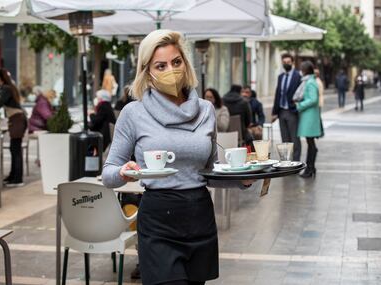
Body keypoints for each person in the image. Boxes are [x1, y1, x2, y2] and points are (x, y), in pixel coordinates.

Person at [102, 29, 252, 285]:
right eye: (160, 65)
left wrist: (243, 179)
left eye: (176, 62)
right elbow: (108, 175)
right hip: (158, 221)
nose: (170, 69)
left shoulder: (206, 111)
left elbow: (209, 172)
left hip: (200, 217)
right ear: (147, 71)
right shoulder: (133, 113)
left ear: (185, 63)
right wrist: (123, 171)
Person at [271, 53, 302, 162]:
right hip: (281, 111)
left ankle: (296, 162)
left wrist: (297, 107)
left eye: (288, 62)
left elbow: (301, 93)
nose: (286, 64)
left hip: (292, 111)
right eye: (284, 63)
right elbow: (278, 94)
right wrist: (274, 112)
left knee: (294, 139)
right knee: (284, 140)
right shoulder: (281, 77)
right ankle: (286, 162)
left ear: (292, 63)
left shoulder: (298, 76)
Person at [294, 61, 322, 178]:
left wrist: (300, 105)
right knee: (310, 143)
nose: (301, 71)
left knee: (311, 143)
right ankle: (311, 168)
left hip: (309, 117)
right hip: (309, 116)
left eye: (302, 69)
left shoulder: (310, 82)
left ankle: (309, 169)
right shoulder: (309, 81)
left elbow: (313, 99)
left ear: (305, 70)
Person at [314, 68, 325, 137]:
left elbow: (318, 93)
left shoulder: (317, 81)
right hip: (319, 101)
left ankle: (320, 132)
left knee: (317, 118)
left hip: (318, 102)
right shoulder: (318, 81)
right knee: (318, 117)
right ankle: (319, 132)